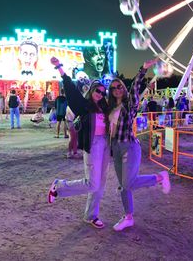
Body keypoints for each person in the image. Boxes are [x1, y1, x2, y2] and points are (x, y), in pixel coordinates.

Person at [108, 58, 171, 232]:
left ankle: (159, 177)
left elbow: (135, 86)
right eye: (113, 88)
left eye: (119, 86)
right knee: (123, 186)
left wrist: (143, 68)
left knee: (128, 184)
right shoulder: (110, 108)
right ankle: (128, 217)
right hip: (116, 148)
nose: (117, 89)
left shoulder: (130, 104)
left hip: (129, 146)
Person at [48, 56, 110, 229]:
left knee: (101, 183)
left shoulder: (105, 107)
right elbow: (69, 88)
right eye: (98, 90)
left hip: (106, 144)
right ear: (91, 90)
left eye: (103, 92)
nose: (100, 94)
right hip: (93, 144)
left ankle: (91, 215)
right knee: (92, 183)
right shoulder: (83, 105)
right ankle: (59, 187)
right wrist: (59, 66)